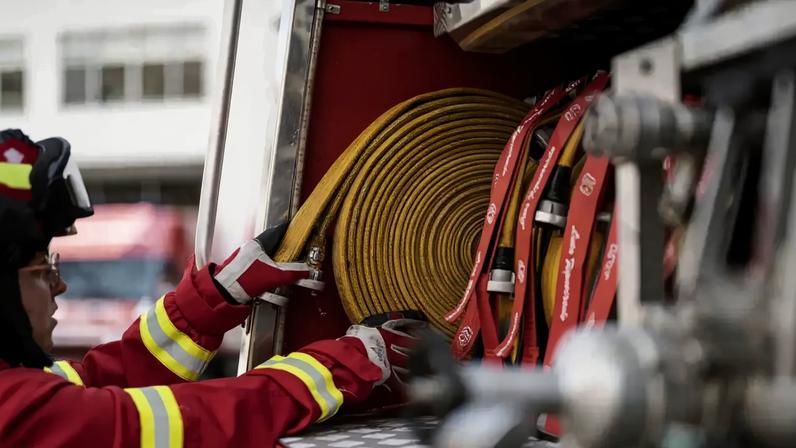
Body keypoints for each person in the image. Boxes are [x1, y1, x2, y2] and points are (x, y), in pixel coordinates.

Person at [0, 129, 425, 447]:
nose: (59, 284)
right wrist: (344, 365)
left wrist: (215, 297)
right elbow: (191, 422)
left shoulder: (19, 390)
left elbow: (97, 382)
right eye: (42, 268)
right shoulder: (15, 412)